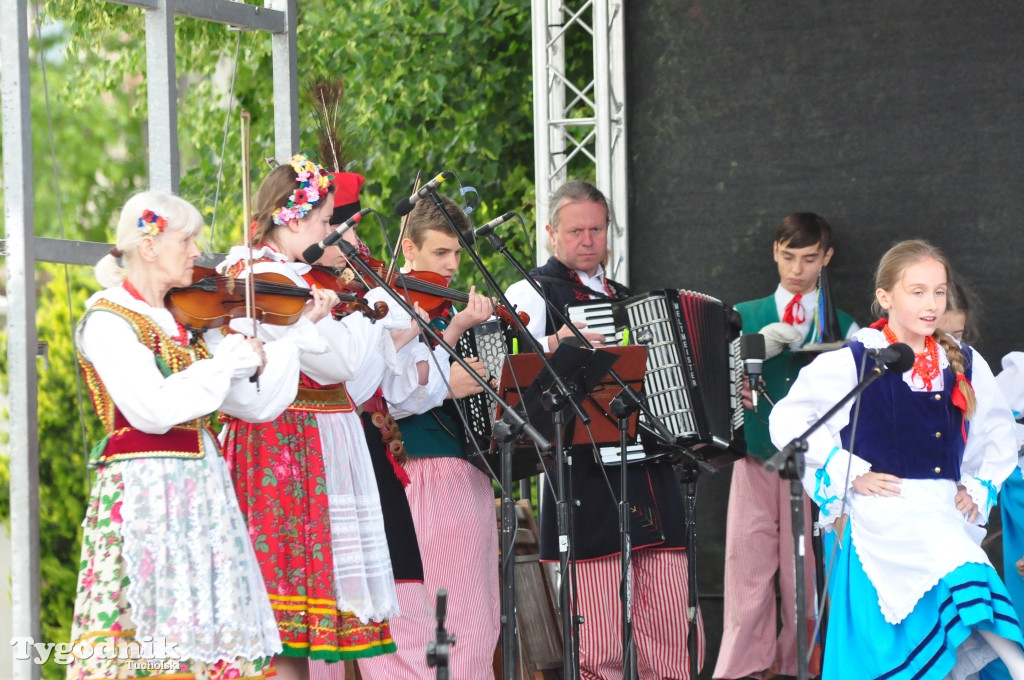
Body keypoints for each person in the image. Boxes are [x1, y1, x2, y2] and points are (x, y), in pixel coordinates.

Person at [67, 190, 334, 679]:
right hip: (145, 489)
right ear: (149, 246)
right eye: (187, 239)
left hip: (201, 490)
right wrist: (227, 362)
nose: (197, 252)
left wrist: (288, 340)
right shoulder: (107, 320)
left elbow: (254, 406)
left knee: (208, 636)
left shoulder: (188, 322)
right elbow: (152, 409)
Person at [769, 239, 1024, 678]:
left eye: (939, 292)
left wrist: (978, 485)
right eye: (918, 291)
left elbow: (998, 431)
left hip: (942, 507)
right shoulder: (857, 358)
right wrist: (849, 472)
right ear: (886, 296)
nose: (932, 304)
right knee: (959, 572)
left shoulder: (962, 361)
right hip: (886, 512)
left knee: (942, 631)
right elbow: (789, 420)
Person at [217, 155, 419, 679]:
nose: (330, 232)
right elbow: (340, 366)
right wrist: (353, 318)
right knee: (285, 615)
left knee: (301, 625)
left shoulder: (279, 276)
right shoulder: (266, 276)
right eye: (326, 220)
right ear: (292, 216)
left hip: (306, 440)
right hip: (286, 444)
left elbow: (339, 367)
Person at [504, 179, 704, 679]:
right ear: (550, 232)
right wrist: (554, 342)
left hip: (649, 473)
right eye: (576, 230)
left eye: (597, 229)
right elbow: (506, 374)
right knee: (597, 640)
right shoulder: (529, 291)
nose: (588, 240)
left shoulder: (627, 298)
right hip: (584, 477)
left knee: (668, 627)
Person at [715, 213, 858, 680]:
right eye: (789, 256)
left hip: (817, 467)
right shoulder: (743, 314)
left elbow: (861, 405)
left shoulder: (846, 325)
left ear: (827, 258)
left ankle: (806, 667)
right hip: (755, 456)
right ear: (775, 252)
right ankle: (742, 671)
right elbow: (712, 389)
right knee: (746, 568)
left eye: (810, 258)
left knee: (808, 574)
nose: (797, 269)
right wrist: (742, 361)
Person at [379, 192, 499, 680]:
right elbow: (394, 390)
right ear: (408, 249)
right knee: (433, 620)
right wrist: (458, 371)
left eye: (456, 254)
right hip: (420, 470)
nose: (451, 267)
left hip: (464, 471)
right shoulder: (388, 305)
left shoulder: (447, 308)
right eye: (439, 253)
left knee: (472, 616)